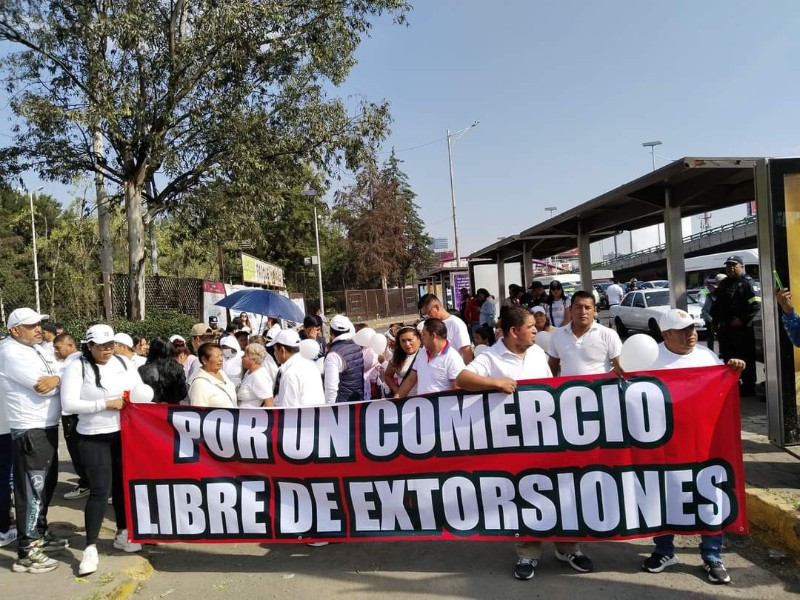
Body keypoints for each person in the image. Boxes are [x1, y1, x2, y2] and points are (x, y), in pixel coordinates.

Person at [456, 306, 575, 580]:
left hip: (549, 436)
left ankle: (568, 547)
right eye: (531, 326)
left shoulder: (535, 351)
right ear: (513, 331)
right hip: (517, 443)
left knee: (561, 493)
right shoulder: (492, 356)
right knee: (526, 495)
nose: (536, 329)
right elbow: (462, 379)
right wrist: (495, 383)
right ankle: (527, 554)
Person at [641, 308, 745, 585]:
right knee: (663, 496)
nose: (691, 334)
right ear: (666, 335)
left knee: (709, 496)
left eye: (692, 328)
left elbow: (722, 392)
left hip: (704, 444)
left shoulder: (707, 356)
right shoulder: (650, 359)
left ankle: (712, 555)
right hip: (664, 444)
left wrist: (732, 370)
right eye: (683, 331)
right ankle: (664, 550)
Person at [60, 324, 145, 576]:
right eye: (102, 346)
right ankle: (90, 547)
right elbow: (69, 403)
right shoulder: (77, 366)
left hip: (122, 433)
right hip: (92, 436)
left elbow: (139, 390)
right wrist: (104, 404)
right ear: (89, 345)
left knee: (121, 485)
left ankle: (123, 532)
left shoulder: (122, 362)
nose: (108, 349)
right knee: (99, 490)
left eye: (111, 344)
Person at [0, 308, 65, 574]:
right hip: (29, 427)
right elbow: (42, 386)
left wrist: (59, 378)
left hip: (46, 425)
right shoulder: (10, 352)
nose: (38, 329)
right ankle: (27, 552)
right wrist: (60, 380)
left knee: (46, 485)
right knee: (31, 490)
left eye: (39, 324)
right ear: (15, 330)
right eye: (31, 325)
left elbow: (58, 376)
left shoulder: (37, 349)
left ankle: (39, 533)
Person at [710, 255, 760, 396]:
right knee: (728, 357)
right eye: (728, 266)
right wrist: (714, 322)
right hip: (725, 329)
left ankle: (749, 387)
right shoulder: (724, 283)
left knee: (745, 358)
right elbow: (717, 306)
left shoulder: (748, 283)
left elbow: (756, 305)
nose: (731, 268)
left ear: (741, 267)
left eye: (734, 265)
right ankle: (732, 384)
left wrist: (742, 320)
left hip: (742, 330)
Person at [547, 290, 623, 378]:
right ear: (570, 309)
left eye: (587, 307)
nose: (583, 312)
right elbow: (552, 369)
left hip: (599, 391)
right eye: (578, 307)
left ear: (594, 310)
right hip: (568, 391)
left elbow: (620, 368)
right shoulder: (557, 335)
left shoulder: (608, 334)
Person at [52, 334, 91, 501]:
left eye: (58, 348)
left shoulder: (73, 363)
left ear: (69, 344)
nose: (56, 351)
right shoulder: (76, 360)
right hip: (75, 412)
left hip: (72, 414)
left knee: (78, 452)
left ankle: (86, 484)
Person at [395, 318, 465, 397]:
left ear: (433, 336)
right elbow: (410, 380)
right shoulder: (421, 354)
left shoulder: (453, 359)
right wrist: (396, 400)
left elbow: (457, 391)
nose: (421, 337)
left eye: (424, 334)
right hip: (423, 406)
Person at [269, 329, 325, 407]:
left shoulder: (290, 373)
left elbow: (288, 410)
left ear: (282, 350)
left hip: (302, 417)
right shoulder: (311, 365)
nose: (274, 354)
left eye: (275, 350)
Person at [419, 293, 473, 364]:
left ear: (437, 307)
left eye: (428, 313)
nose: (427, 317)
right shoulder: (430, 325)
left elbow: (466, 351)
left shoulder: (455, 323)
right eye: (424, 316)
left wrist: (466, 372)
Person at [323, 315, 364, 404]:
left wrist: (330, 409)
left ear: (331, 332)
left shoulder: (333, 354)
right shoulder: (357, 347)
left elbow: (331, 388)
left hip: (342, 406)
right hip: (358, 401)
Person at [138, 337, 188, 404]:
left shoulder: (142, 369)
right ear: (170, 350)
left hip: (149, 409)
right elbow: (183, 393)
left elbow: (139, 393)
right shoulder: (178, 368)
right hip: (171, 410)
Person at [188, 344, 237, 408]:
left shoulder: (222, 373)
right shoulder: (199, 384)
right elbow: (199, 412)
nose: (221, 359)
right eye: (217, 357)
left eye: (221, 355)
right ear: (204, 360)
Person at [383, 325, 421, 397]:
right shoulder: (396, 357)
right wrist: (397, 390)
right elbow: (388, 376)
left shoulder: (425, 354)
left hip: (424, 399)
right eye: (403, 341)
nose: (407, 344)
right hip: (404, 400)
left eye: (410, 340)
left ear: (418, 338)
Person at [237, 343, 274, 408]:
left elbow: (269, 402)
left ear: (253, 359)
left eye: (245, 355)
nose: (241, 357)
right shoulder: (249, 372)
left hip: (254, 416)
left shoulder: (260, 376)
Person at [701, 274, 726, 353]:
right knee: (711, 337)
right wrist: (711, 320)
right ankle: (711, 352)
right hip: (711, 320)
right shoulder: (709, 296)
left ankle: (722, 353)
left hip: (721, 321)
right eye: (709, 287)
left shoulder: (723, 294)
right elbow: (705, 310)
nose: (709, 288)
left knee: (722, 338)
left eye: (711, 287)